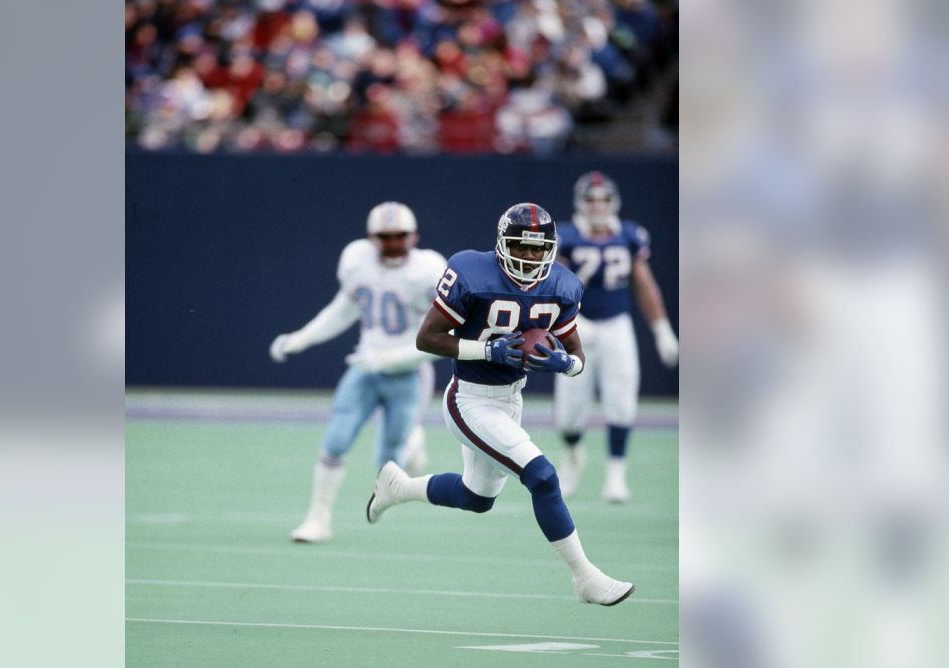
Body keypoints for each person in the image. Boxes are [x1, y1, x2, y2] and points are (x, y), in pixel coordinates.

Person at [365, 202, 635, 606]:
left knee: (477, 499)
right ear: (502, 243)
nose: (529, 256)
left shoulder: (561, 285)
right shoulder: (471, 272)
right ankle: (585, 577)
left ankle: (399, 487)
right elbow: (428, 338)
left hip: (511, 399)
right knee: (543, 476)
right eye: (520, 247)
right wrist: (486, 350)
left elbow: (576, 355)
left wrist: (567, 364)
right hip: (469, 400)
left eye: (537, 248)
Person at [270, 201, 446, 544]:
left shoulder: (429, 269)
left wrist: (391, 359)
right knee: (336, 440)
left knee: (389, 457)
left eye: (399, 236)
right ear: (371, 237)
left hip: (409, 373)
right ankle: (318, 519)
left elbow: (444, 335)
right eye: (385, 237)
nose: (393, 243)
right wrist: (303, 338)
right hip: (364, 367)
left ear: (414, 237)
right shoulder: (357, 260)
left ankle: (411, 444)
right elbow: (344, 308)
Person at [552, 171, 678, 502]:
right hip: (575, 326)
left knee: (621, 401)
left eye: (604, 199)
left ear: (614, 202)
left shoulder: (630, 235)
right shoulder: (565, 237)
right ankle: (573, 455)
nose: (597, 206)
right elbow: (553, 284)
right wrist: (570, 318)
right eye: (591, 200)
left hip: (616, 325)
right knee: (569, 409)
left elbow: (644, 283)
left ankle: (616, 476)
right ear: (580, 203)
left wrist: (661, 328)